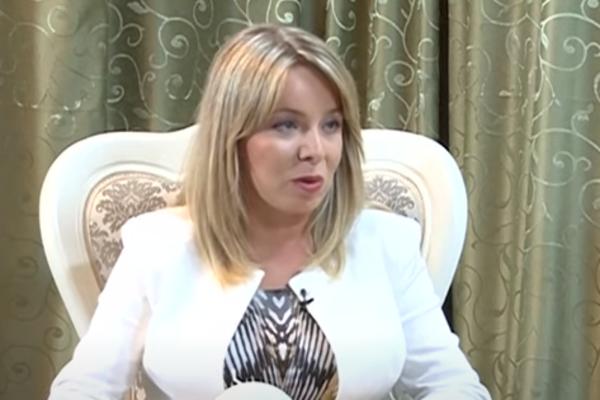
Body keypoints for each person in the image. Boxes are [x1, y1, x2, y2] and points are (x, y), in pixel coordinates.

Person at [48, 24, 491, 400]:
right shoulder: (156, 246)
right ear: (232, 138)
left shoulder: (387, 242)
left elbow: (452, 385)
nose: (315, 150)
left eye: (331, 125)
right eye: (286, 125)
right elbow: (85, 387)